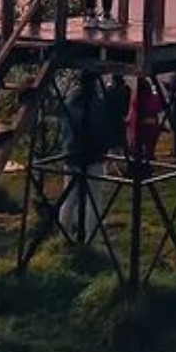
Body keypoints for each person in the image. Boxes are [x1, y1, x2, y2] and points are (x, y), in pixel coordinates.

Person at [59, 72, 119, 243]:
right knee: (94, 199)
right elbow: (102, 128)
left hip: (71, 154)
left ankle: (64, 236)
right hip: (93, 156)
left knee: (68, 198)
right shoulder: (97, 104)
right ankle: (92, 238)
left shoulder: (70, 101)